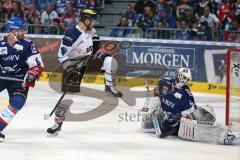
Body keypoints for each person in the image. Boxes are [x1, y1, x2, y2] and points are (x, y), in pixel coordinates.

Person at [47, 9, 122, 136]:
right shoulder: (72, 34)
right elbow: (61, 54)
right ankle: (57, 123)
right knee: (68, 96)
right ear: (86, 21)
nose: (95, 23)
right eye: (93, 21)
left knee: (110, 61)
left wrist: (97, 44)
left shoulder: (91, 31)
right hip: (73, 65)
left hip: (87, 60)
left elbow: (96, 49)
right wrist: (69, 67)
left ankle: (109, 87)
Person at [141, 68, 240, 145]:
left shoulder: (186, 94)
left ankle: (224, 133)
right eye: (184, 77)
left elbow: (191, 112)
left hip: (177, 123)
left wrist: (187, 117)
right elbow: (156, 94)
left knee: (206, 111)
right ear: (178, 75)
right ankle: (154, 121)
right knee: (154, 101)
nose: (185, 81)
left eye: (187, 79)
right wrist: (156, 111)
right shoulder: (164, 81)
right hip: (161, 119)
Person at [0, 16, 44, 142]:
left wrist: (33, 73)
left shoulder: (28, 45)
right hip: (2, 77)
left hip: (19, 80)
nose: (24, 32)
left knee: (18, 102)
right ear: (12, 31)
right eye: (21, 30)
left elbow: (37, 64)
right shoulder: (0, 43)